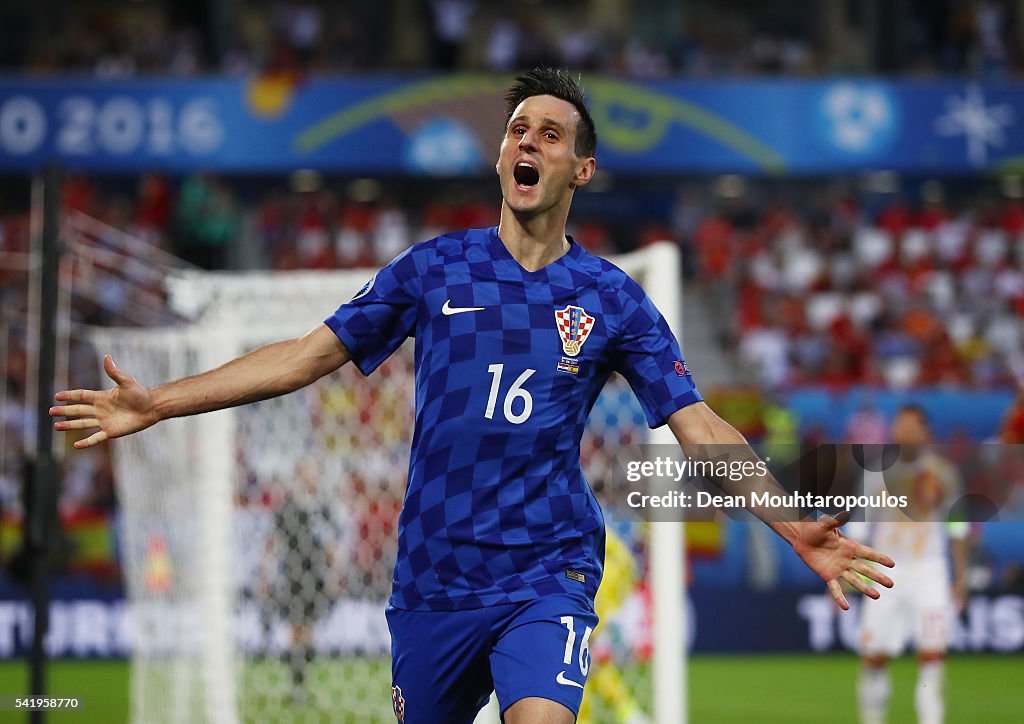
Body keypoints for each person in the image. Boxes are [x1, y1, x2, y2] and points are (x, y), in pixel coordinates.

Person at [51, 68, 894, 724]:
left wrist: (792, 524)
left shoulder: (612, 298)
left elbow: (698, 423)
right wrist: (158, 403)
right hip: (432, 581)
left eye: (550, 133)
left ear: (581, 167)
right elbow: (302, 358)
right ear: (501, 156)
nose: (528, 141)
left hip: (546, 572)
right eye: (517, 129)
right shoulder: (434, 270)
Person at [852, 405, 968, 724]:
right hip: (885, 569)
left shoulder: (944, 473)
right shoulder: (875, 475)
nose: (903, 432)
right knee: (874, 657)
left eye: (910, 426)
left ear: (925, 432)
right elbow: (859, 528)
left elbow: (957, 527)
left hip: (930, 571)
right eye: (899, 426)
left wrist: (961, 577)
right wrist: (851, 569)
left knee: (932, 658)